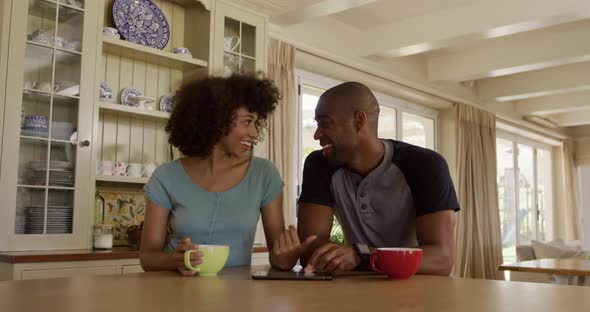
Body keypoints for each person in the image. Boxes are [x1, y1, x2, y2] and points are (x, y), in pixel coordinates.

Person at [140, 73, 315, 276]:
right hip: (176, 292)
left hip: (236, 295)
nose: (254, 134)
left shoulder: (264, 175)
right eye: (247, 122)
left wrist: (287, 257)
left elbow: (278, 258)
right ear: (217, 119)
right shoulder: (166, 176)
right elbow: (148, 257)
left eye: (255, 123)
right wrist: (174, 259)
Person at [297, 82, 459, 275]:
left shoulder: (426, 165)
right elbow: (309, 249)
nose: (317, 135)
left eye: (325, 123)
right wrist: (356, 257)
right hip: (356, 290)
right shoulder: (320, 164)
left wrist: (362, 256)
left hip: (417, 290)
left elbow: (441, 259)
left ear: (358, 121)